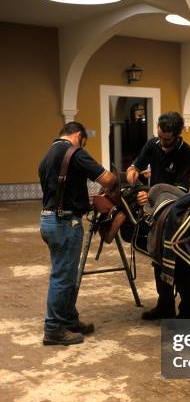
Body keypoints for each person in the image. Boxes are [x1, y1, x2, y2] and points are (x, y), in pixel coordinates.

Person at [39, 122, 116, 346]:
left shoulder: (47, 155)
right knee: (62, 277)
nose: (83, 144)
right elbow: (107, 180)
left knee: (66, 274)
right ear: (79, 136)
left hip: (48, 219)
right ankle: (53, 328)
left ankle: (69, 319)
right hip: (65, 222)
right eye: (84, 140)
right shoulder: (74, 152)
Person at [126, 112, 190, 319]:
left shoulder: (187, 153)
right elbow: (136, 165)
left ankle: (187, 311)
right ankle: (165, 305)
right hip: (155, 210)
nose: (163, 142)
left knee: (181, 261)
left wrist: (150, 194)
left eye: (168, 139)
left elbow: (179, 191)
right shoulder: (153, 144)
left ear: (177, 134)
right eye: (160, 136)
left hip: (177, 211)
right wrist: (132, 173)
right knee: (157, 257)